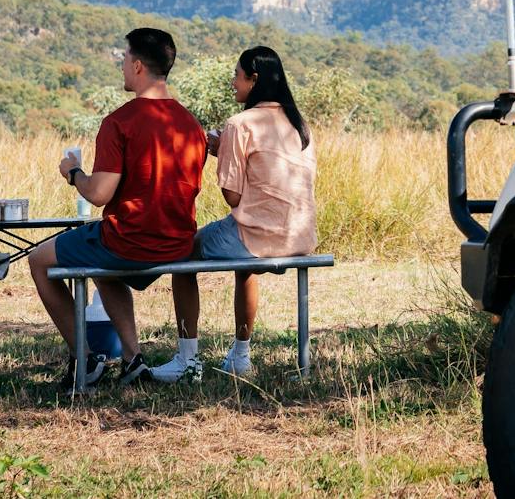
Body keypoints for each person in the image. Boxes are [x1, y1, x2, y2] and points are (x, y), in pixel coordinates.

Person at [26, 27, 207, 389]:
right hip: (178, 242)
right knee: (99, 261)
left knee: (38, 259)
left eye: (124, 59)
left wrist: (73, 173)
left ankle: (85, 357)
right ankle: (131, 357)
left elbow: (98, 194)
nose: (122, 66)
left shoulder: (119, 122)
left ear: (138, 66)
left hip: (129, 240)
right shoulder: (192, 124)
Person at [151, 45, 315, 382]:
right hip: (299, 236)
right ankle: (240, 355)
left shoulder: (240, 125)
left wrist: (222, 150)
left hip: (258, 236)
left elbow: (232, 196)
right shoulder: (300, 125)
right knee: (245, 266)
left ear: (254, 79)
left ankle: (187, 360)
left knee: (183, 253)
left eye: (237, 76)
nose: (233, 82)